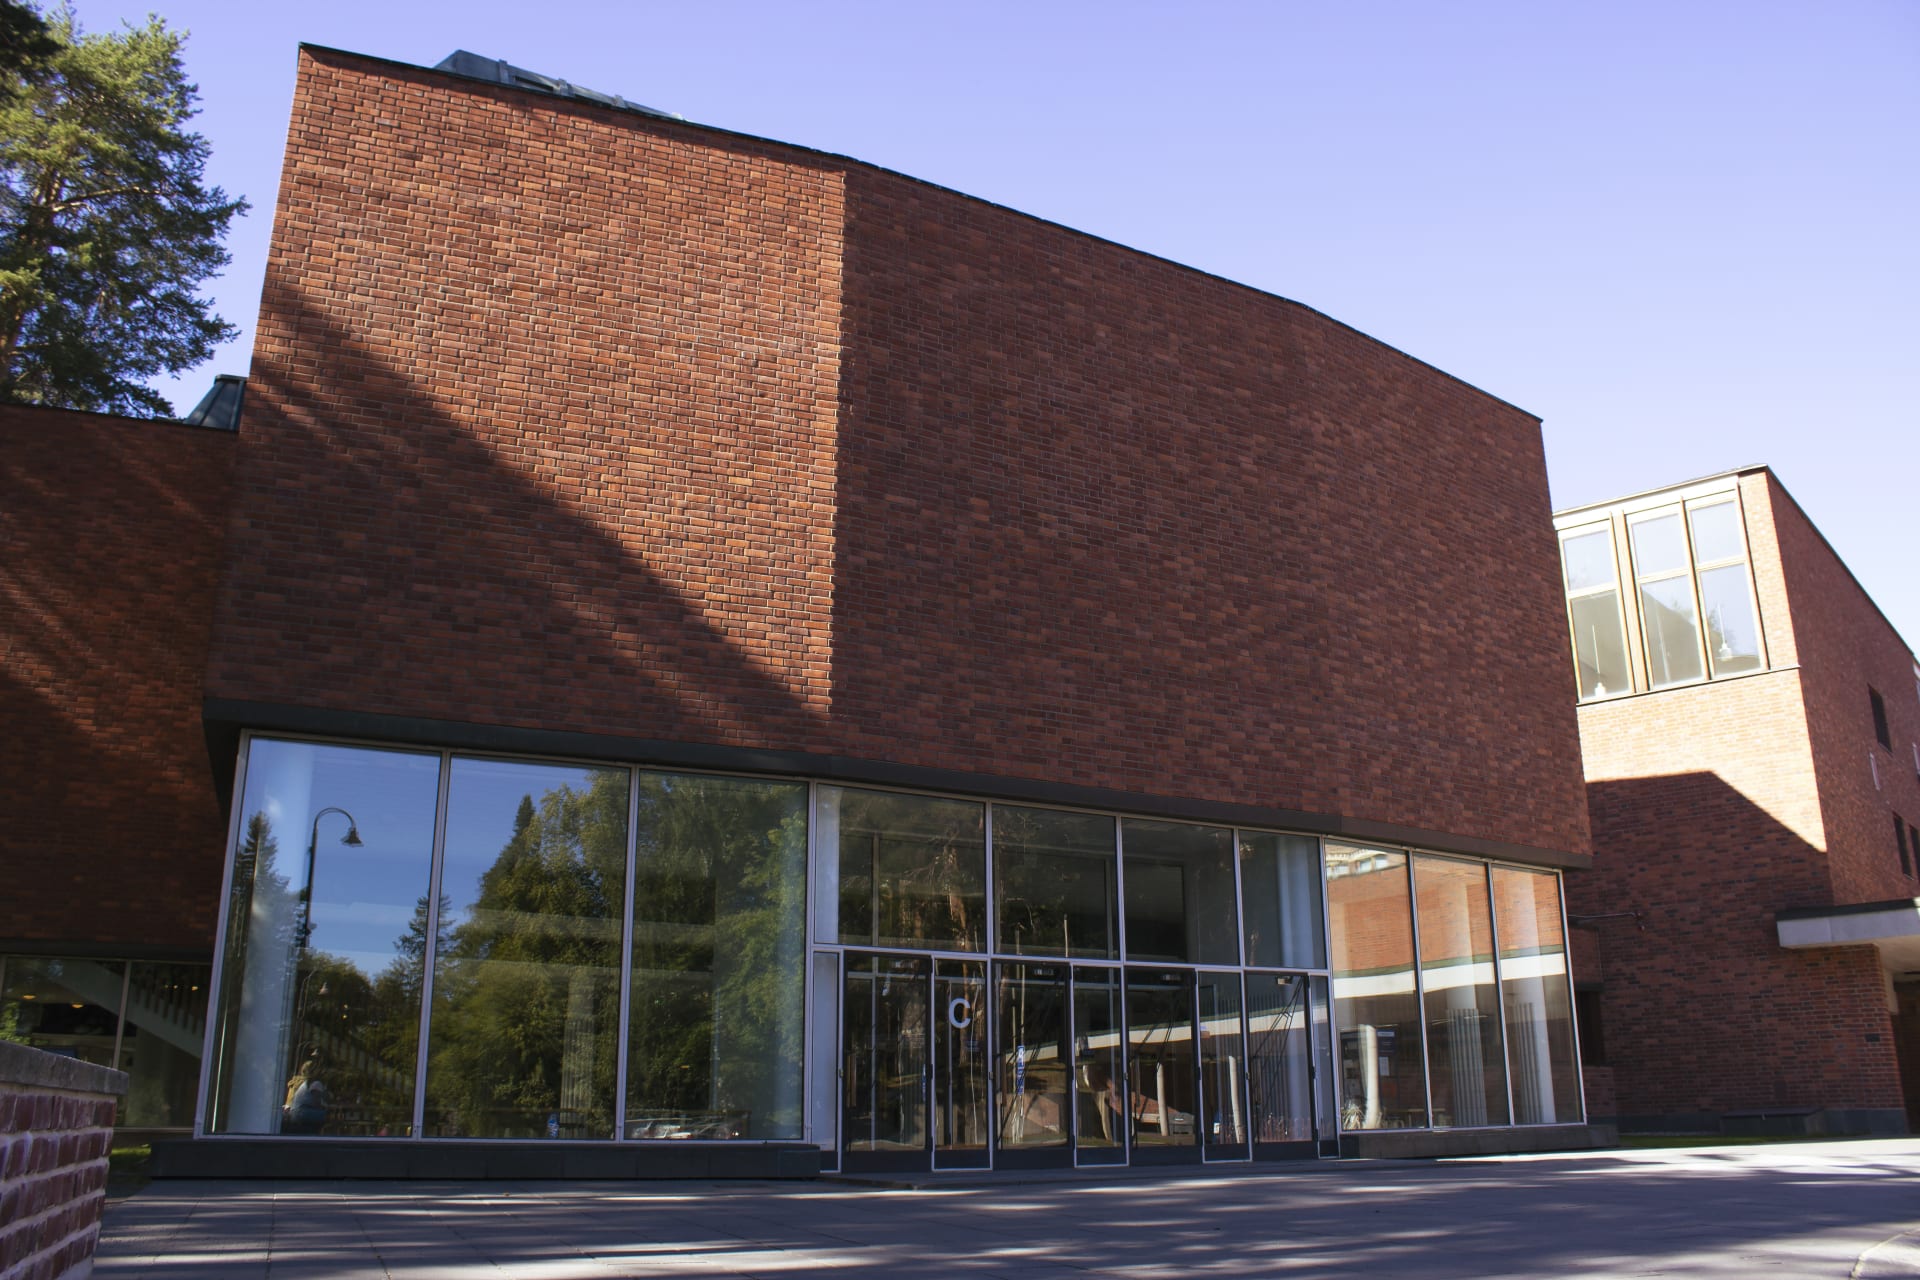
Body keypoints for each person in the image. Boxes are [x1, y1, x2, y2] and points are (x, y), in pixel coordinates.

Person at [282, 1059, 330, 1134]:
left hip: (294, 1113)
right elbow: (318, 1101)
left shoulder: (304, 1082)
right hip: (303, 1114)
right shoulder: (316, 1083)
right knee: (327, 1115)